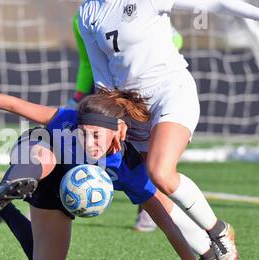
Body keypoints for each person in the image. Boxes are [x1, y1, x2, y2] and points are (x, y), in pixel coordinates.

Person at [0, 81, 212, 260]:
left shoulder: (129, 170)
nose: (89, 144)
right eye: (83, 134)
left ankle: (5, 209)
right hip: (37, 158)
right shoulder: (65, 120)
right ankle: (13, 183)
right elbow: (13, 104)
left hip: (59, 193)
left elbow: (165, 221)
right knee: (43, 152)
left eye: (96, 136)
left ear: (120, 130)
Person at [78, 0, 259, 260]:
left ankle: (218, 232)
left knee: (160, 171)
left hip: (171, 92)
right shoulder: (87, 11)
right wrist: (112, 122)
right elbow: (102, 79)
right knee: (148, 190)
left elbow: (215, 4)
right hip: (131, 108)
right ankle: (206, 255)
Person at [68, 10, 185, 232]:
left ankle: (149, 207)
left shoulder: (137, 8)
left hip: (146, 88)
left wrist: (141, 59)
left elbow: (176, 38)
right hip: (108, 89)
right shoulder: (82, 16)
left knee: (150, 153)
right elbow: (87, 61)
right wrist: (80, 94)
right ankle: (55, 195)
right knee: (83, 140)